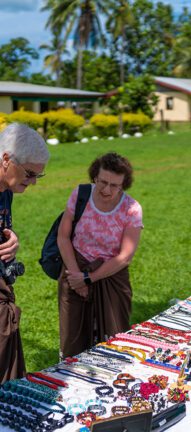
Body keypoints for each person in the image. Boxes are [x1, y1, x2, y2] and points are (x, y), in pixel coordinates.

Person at [57, 152, 143, 358]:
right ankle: (70, 377)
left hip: (112, 273)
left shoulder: (132, 208)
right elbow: (63, 237)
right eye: (102, 182)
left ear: (124, 184)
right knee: (73, 337)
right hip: (74, 267)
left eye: (115, 185)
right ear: (95, 176)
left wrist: (88, 279)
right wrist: (76, 277)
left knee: (115, 337)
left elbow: (125, 257)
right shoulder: (80, 194)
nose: (106, 190)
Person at [0, 123, 49, 383]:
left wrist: (12, 238)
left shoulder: (6, 190)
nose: (31, 182)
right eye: (29, 173)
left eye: (37, 177)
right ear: (6, 159)